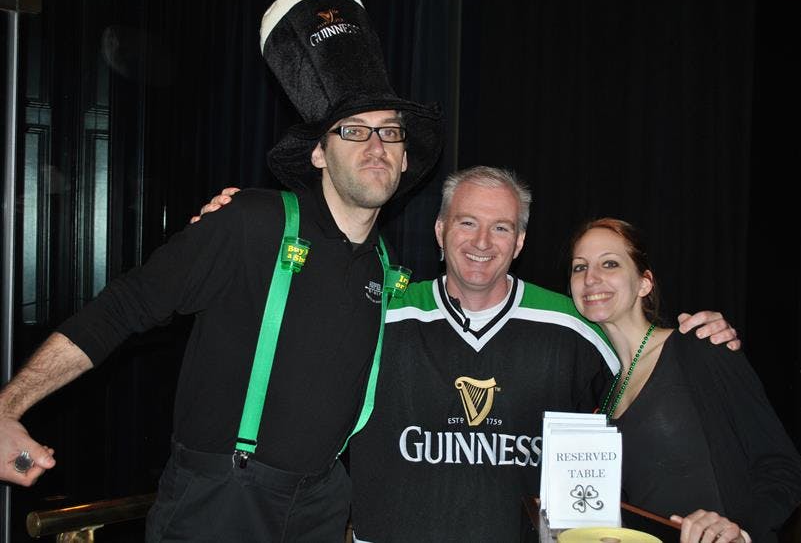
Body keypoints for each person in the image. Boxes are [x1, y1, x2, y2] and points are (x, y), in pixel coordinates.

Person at [0, 0, 442, 541]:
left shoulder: (385, 266)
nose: (376, 144)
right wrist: (7, 408)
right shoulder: (251, 222)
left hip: (323, 504)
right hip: (221, 504)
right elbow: (122, 308)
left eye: (390, 131)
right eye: (353, 130)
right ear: (319, 153)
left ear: (404, 157)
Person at [195, 166, 741, 542]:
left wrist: (697, 337)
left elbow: (647, 383)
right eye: (467, 222)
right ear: (439, 230)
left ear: (520, 241)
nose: (483, 241)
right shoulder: (379, 309)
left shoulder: (575, 326)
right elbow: (285, 312)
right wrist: (242, 230)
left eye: (501, 227)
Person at [568, 217, 801, 543]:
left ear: (644, 283)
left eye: (609, 263)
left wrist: (741, 529)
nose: (591, 278)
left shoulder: (699, 348)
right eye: (579, 267)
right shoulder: (602, 390)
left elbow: (784, 468)